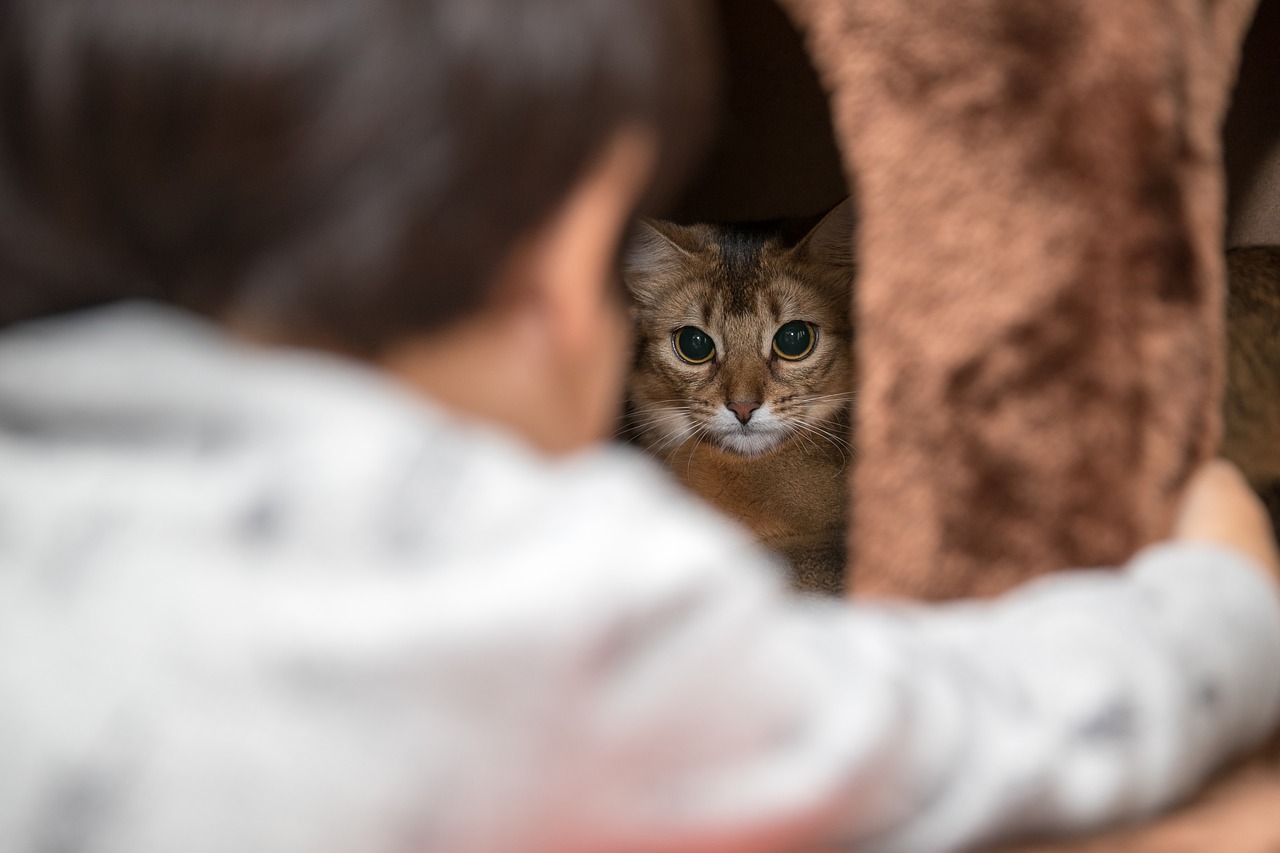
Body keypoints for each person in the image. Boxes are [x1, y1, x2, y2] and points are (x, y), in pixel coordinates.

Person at [0, 1, 1277, 851]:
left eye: (785, 342)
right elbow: (934, 733)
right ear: (559, 281)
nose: (735, 392)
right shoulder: (552, 587)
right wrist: (1220, 602)